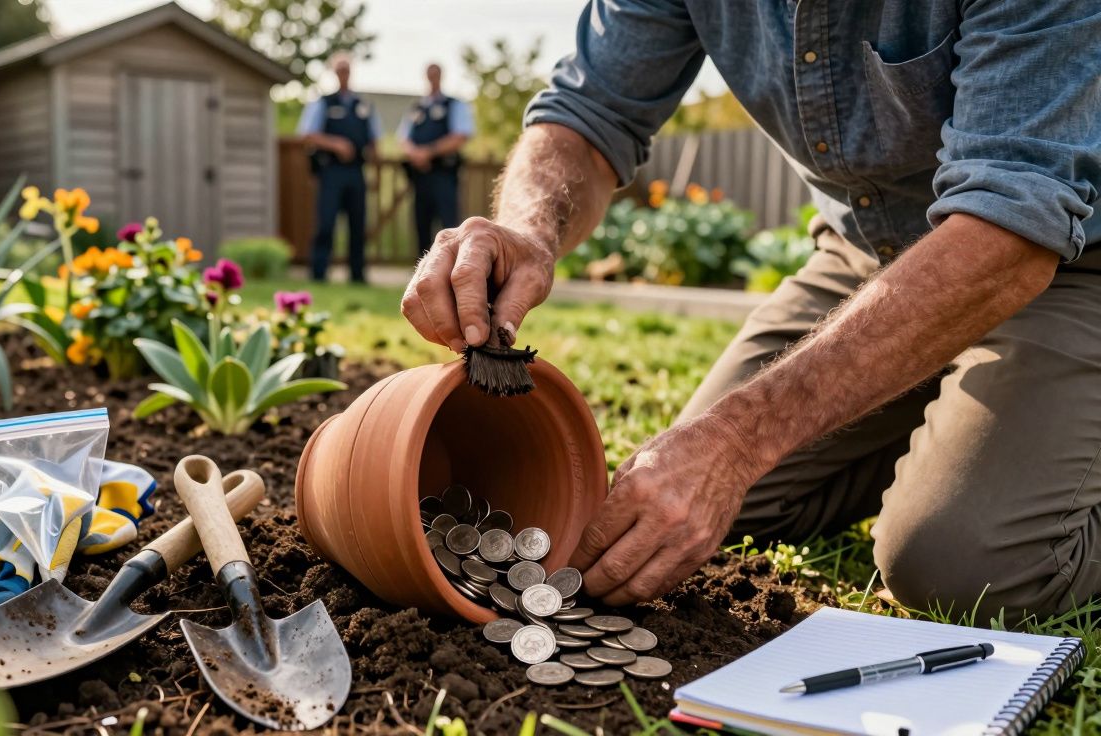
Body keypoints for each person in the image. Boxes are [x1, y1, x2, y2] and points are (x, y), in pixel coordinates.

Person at [401, 1, 1101, 623]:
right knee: (716, 513)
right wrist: (527, 229)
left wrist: (739, 440)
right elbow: (588, 117)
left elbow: (1010, 220)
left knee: (963, 566)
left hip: (1062, 261)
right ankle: (947, 404)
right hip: (871, 254)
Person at [298, 53, 381, 283]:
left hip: (356, 172)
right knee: (326, 222)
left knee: (358, 224)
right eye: (340, 69)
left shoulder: (363, 105)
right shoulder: (323, 102)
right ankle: (319, 272)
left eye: (347, 69)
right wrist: (335, 144)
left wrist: (376, 171)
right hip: (330, 171)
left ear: (351, 72)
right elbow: (307, 134)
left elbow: (374, 140)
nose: (344, 73)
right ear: (334, 72)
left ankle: (357, 274)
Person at [398, 63, 474, 257]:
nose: (432, 78)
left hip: (444, 174)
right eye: (429, 74)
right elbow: (403, 138)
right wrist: (415, 154)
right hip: (420, 175)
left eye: (436, 74)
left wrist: (428, 152)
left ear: (441, 76)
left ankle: (452, 271)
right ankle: (422, 273)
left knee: (449, 226)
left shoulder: (454, 104)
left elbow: (460, 136)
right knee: (421, 225)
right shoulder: (417, 108)